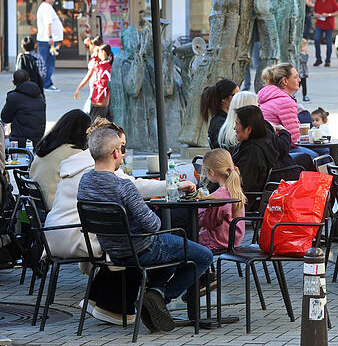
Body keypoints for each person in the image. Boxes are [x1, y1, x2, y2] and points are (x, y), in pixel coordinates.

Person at [45, 119, 185, 327]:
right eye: (122, 147)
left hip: (54, 233)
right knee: (127, 244)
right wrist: (174, 186)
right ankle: (118, 306)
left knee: (122, 238)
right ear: (111, 147)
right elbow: (133, 187)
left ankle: (98, 300)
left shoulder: (77, 164)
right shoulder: (98, 170)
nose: (124, 152)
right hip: (77, 234)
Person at [77, 126, 213, 332]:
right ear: (115, 153)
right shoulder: (123, 186)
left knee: (175, 246)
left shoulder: (85, 182)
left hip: (112, 252)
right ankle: (159, 297)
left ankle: (156, 291)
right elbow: (153, 225)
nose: (122, 154)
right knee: (203, 256)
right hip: (142, 248)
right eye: (122, 150)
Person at [230, 105, 295, 202]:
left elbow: (241, 185)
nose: (235, 128)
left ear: (248, 129)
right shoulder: (258, 144)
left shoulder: (253, 152)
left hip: (242, 203)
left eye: (237, 124)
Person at [29, 109, 92, 207]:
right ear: (82, 132)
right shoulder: (73, 153)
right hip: (54, 207)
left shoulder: (47, 146)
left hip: (36, 206)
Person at [197, 148, 246, 251]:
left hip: (217, 241)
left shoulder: (217, 197)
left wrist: (199, 210)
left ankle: (202, 267)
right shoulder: (235, 191)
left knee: (184, 241)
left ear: (211, 172)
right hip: (233, 239)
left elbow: (207, 223)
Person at [1, 70, 46, 149]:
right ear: (29, 79)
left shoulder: (13, 97)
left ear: (14, 82)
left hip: (19, 140)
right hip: (38, 138)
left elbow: (5, 118)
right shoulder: (39, 95)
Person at [198, 79, 239, 149]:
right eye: (235, 95)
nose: (239, 98)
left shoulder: (227, 119)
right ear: (224, 99)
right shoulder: (219, 123)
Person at [36, 0, 63, 91]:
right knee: (49, 63)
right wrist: (50, 37)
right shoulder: (46, 8)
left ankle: (47, 83)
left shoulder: (44, 7)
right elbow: (48, 23)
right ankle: (46, 84)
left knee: (47, 62)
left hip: (45, 40)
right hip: (47, 40)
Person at [312, 0, 338, 68]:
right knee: (316, 39)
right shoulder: (318, 1)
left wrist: (329, 14)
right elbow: (314, 11)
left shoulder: (332, 0)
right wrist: (316, 15)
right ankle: (318, 58)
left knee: (328, 43)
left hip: (329, 25)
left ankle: (328, 60)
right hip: (319, 24)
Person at [85, 44, 113, 121]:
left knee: (95, 122)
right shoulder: (108, 66)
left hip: (100, 98)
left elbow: (104, 83)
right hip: (103, 99)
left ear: (103, 52)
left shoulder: (104, 67)